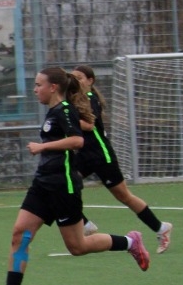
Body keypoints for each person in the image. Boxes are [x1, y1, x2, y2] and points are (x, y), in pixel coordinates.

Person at [0, 65, 151, 285]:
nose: (35, 89)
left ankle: (130, 242)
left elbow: (77, 140)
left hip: (64, 186)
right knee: (20, 233)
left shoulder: (65, 110)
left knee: (77, 247)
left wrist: (42, 147)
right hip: (43, 184)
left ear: (53, 87)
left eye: (38, 85)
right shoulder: (53, 112)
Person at [69, 64, 173, 252]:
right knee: (63, 185)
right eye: (73, 77)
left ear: (90, 81)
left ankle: (161, 228)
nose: (76, 81)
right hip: (84, 156)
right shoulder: (75, 100)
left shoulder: (90, 98)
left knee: (123, 196)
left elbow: (89, 125)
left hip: (101, 156)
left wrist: (66, 119)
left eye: (80, 77)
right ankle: (86, 226)